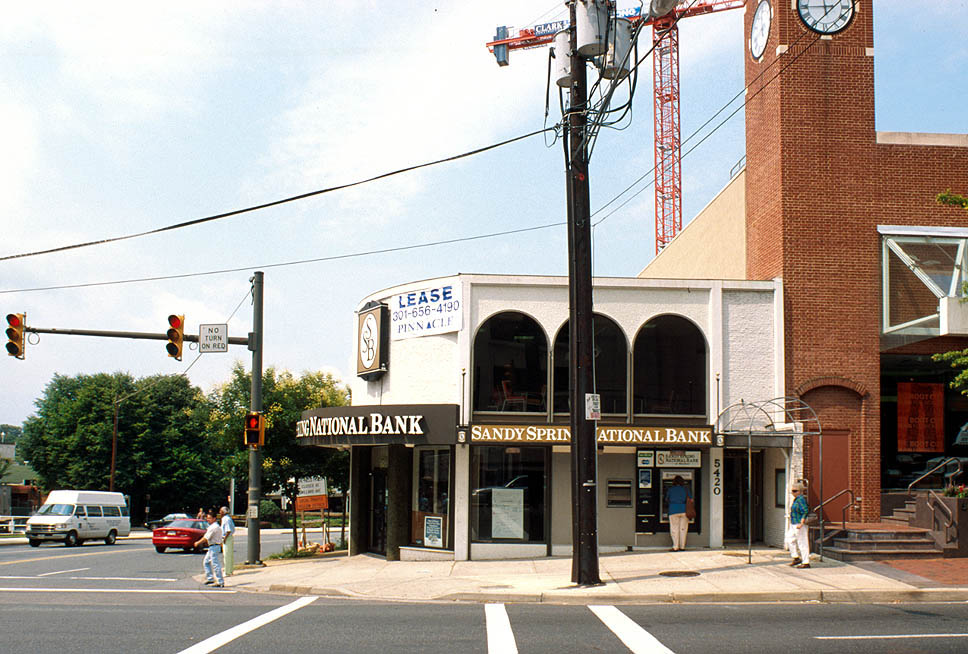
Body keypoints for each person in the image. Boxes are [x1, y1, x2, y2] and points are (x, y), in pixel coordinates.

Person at [195, 509, 224, 587]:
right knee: (206, 562)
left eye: (209, 518)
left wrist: (198, 543)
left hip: (214, 546)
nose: (207, 520)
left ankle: (220, 581)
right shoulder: (213, 526)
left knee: (215, 564)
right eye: (207, 518)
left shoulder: (214, 527)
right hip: (212, 547)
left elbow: (206, 538)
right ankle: (210, 578)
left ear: (214, 518)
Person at [786, 480, 811, 569]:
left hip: (799, 524)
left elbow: (805, 511)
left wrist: (801, 523)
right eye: (792, 490)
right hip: (793, 523)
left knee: (802, 542)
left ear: (800, 491)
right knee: (789, 539)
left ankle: (806, 561)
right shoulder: (796, 499)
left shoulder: (801, 499)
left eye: (795, 491)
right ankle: (796, 557)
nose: (793, 492)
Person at [666, 475, 692, 551]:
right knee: (683, 529)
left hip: (673, 510)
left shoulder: (671, 489)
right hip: (684, 511)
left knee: (674, 529)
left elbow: (666, 499)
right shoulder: (686, 489)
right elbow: (691, 499)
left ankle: (675, 546)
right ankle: (682, 546)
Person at [219, 506, 235, 576]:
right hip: (229, 537)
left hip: (227, 538)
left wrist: (224, 539)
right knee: (229, 555)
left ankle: (227, 572)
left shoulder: (226, 519)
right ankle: (230, 570)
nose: (219, 512)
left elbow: (228, 530)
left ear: (223, 512)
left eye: (220, 511)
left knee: (227, 555)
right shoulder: (228, 518)